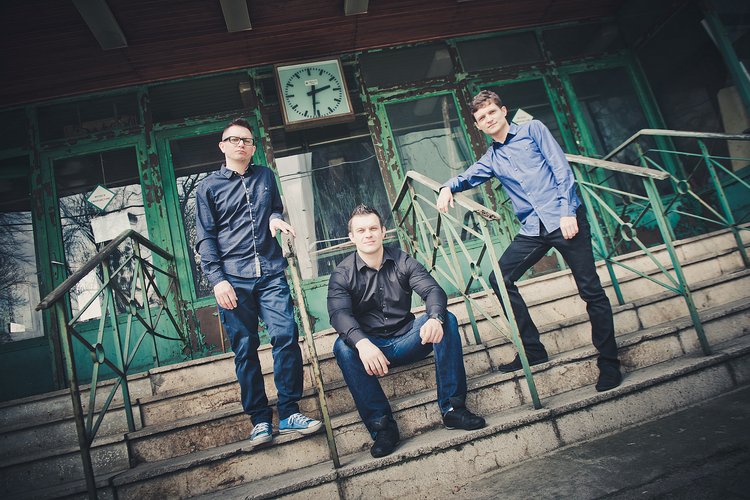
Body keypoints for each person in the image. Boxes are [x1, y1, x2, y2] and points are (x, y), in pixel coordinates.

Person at [436, 90, 622, 392]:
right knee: (499, 278)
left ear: (503, 111)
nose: (488, 119)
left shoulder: (533, 130)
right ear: (478, 126)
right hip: (534, 229)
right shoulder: (491, 158)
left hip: (565, 219)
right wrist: (447, 187)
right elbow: (466, 177)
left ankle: (609, 363)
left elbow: (561, 169)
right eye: (482, 117)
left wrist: (567, 211)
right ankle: (533, 350)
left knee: (591, 291)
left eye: (492, 112)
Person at [195, 117, 321, 445]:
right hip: (233, 280)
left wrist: (276, 219)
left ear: (253, 148)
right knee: (245, 348)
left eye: (247, 140)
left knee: (286, 334)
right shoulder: (208, 187)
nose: (241, 144)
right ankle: (260, 419)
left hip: (270, 271)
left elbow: (275, 209)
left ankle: (290, 411)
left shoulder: (265, 176)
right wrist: (217, 279)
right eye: (234, 139)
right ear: (223, 146)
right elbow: (205, 237)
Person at [328, 204, 485, 458]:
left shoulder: (402, 261)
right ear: (352, 237)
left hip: (408, 340)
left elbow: (432, 290)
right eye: (361, 231)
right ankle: (383, 428)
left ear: (383, 231)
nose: (368, 234)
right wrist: (363, 344)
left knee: (447, 319)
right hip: (372, 350)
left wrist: (434, 317)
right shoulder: (342, 274)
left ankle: (453, 410)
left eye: (373, 228)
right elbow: (339, 315)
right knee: (342, 347)